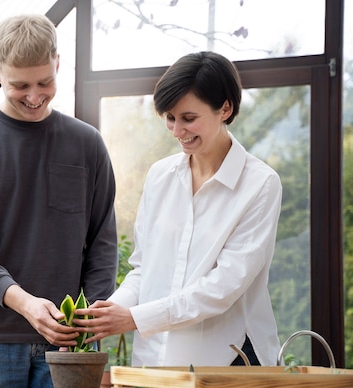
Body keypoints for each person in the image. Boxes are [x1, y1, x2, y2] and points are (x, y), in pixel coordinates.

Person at [0, 14, 117, 388]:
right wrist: (26, 304)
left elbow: (102, 241)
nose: (34, 96)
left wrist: (85, 327)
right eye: (20, 85)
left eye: (44, 82)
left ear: (58, 63)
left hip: (68, 347)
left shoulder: (87, 144)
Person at [76, 51, 282, 367]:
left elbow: (222, 288)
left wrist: (133, 318)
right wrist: (103, 315)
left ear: (225, 108)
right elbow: (144, 269)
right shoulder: (160, 176)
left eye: (188, 118)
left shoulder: (260, 184)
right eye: (170, 118)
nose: (176, 131)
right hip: (156, 358)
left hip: (229, 360)